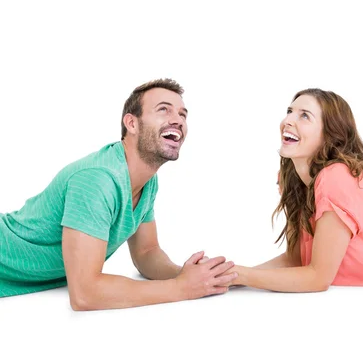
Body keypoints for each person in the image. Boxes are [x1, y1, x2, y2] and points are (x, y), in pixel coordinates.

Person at [0, 78, 237, 308]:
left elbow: (146, 253)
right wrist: (182, 288)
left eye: (183, 114)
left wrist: (187, 275)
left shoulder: (147, 182)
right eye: (164, 110)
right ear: (131, 124)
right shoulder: (98, 179)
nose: (178, 120)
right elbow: (85, 293)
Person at [224, 88, 363, 291]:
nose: (288, 120)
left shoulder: (338, 176)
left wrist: (241, 275)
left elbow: (317, 278)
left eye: (304, 116)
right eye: (289, 111)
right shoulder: (290, 179)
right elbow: (296, 258)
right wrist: (233, 277)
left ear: (330, 135)